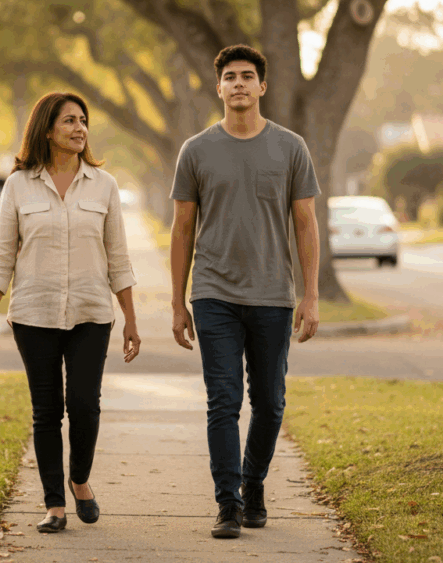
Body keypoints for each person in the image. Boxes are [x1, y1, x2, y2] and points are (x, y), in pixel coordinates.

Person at [169, 44, 321, 539]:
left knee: (271, 403)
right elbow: (182, 229)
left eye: (247, 76)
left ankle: (252, 482)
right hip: (213, 292)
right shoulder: (196, 150)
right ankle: (228, 504)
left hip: (273, 294)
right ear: (219, 88)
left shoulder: (290, 147)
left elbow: (306, 224)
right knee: (223, 401)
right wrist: (177, 302)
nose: (238, 83)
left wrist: (311, 296)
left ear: (262, 86)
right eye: (230, 76)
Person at [0, 92, 141, 534]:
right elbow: (1, 255)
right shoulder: (18, 186)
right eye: (69, 120)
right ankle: (54, 504)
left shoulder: (104, 186)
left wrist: (130, 319)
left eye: (83, 120)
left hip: (91, 312)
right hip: (34, 313)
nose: (79, 128)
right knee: (46, 410)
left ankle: (79, 479)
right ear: (47, 129)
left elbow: (118, 258)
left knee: (85, 404)